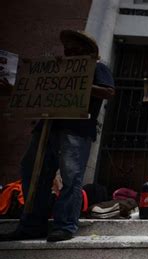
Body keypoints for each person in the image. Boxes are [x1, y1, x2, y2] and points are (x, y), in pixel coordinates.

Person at [0, 30, 115, 242]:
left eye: (73, 47)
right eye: (66, 47)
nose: (68, 51)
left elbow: (108, 92)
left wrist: (79, 85)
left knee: (71, 177)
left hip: (76, 130)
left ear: (86, 50)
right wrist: (12, 91)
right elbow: (34, 90)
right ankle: (32, 224)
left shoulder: (97, 68)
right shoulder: (56, 68)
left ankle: (65, 225)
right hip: (46, 128)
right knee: (33, 173)